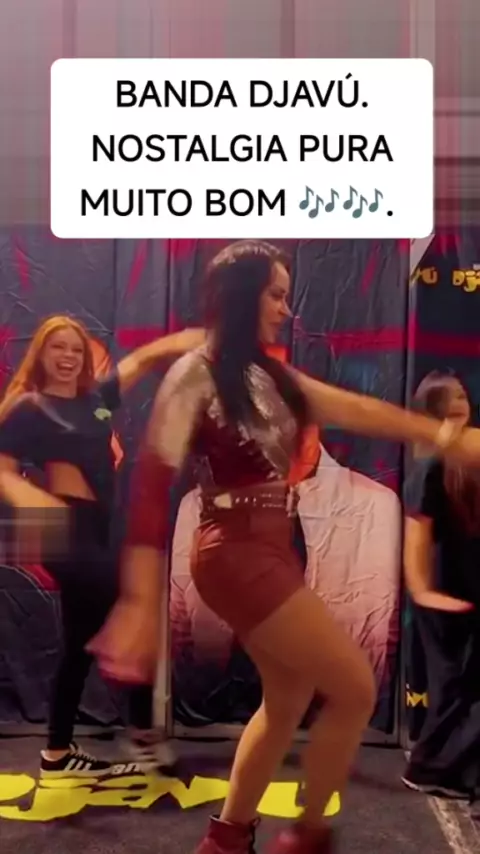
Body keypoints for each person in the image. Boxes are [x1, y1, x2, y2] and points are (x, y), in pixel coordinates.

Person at [90, 241, 480, 854]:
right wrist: (139, 602)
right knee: (354, 688)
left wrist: (444, 436)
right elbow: (149, 489)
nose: (285, 308)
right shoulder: (197, 372)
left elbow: (358, 409)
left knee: (289, 695)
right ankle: (308, 836)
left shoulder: (270, 376)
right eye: (274, 294)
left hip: (267, 547)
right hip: (234, 552)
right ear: (244, 296)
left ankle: (227, 838)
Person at [0, 314, 204, 778]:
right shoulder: (29, 407)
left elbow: (143, 359)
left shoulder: (95, 401)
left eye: (76, 349)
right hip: (62, 527)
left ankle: (56, 753)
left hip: (96, 528)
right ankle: (143, 733)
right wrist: (27, 495)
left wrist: (194, 339)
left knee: (78, 643)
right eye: (58, 347)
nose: (68, 356)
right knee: (131, 609)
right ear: (41, 354)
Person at [402, 370, 480, 797]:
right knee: (453, 687)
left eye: (463, 395)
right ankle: (429, 768)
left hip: (468, 586)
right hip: (444, 592)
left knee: (462, 688)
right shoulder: (430, 465)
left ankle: (440, 769)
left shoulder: (468, 456)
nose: (459, 403)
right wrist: (424, 592)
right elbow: (417, 535)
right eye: (449, 398)